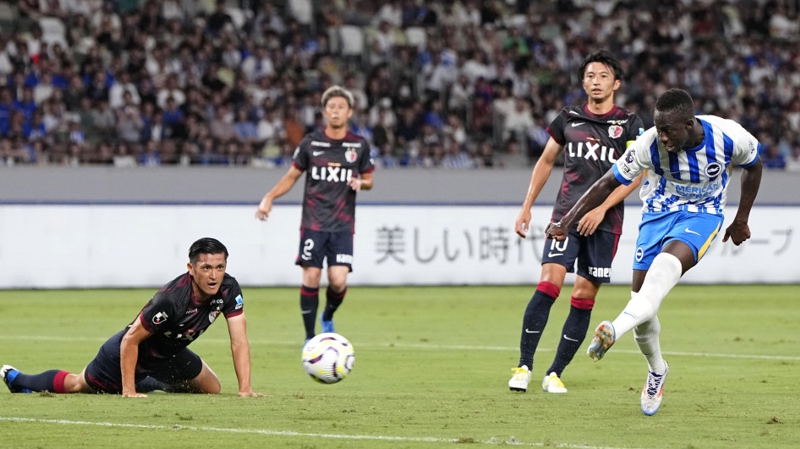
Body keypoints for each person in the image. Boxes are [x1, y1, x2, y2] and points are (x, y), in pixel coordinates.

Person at [545, 88, 762, 415]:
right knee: (644, 311)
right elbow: (606, 183)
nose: (661, 136)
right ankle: (657, 370)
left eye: (668, 130)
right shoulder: (648, 144)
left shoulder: (730, 136)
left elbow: (754, 166)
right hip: (656, 217)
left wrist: (741, 218)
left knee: (663, 271)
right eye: (658, 129)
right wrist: (566, 221)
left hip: (702, 216)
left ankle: (613, 329)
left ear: (689, 124)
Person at [509, 50, 644, 394]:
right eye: (589, 76)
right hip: (565, 218)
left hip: (606, 222)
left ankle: (555, 373)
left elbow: (636, 175)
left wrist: (601, 208)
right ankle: (523, 366)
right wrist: (526, 207)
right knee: (549, 284)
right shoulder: (568, 118)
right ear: (583, 82)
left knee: (583, 297)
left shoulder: (629, 123)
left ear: (616, 83)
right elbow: (544, 162)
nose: (595, 81)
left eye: (602, 76)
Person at [1, 238, 262, 397]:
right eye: (206, 268)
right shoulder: (170, 300)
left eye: (220, 267)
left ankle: (153, 383)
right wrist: (128, 390)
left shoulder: (229, 288)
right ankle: (19, 380)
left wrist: (245, 388)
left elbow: (239, 341)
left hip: (169, 355)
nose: (214, 275)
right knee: (77, 384)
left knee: (212, 389)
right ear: (191, 269)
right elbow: (130, 340)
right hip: (123, 353)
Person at [255, 85, 374, 344]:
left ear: (349, 112)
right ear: (324, 111)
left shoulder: (359, 145)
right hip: (314, 223)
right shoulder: (311, 143)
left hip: (342, 225)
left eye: (340, 107)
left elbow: (369, 179)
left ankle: (328, 315)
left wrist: (360, 183)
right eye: (331, 107)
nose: (335, 111)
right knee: (311, 275)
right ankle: (310, 339)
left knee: (338, 280)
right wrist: (270, 197)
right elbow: (292, 176)